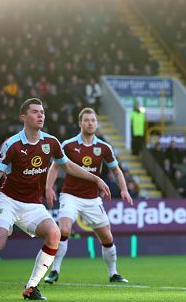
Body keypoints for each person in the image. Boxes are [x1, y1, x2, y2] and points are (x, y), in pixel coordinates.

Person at [0, 98, 111, 302]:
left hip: (33, 205)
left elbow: (69, 166)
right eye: (35, 112)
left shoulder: (51, 143)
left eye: (43, 112)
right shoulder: (12, 144)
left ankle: (31, 288)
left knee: (54, 234)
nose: (41, 116)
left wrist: (96, 178)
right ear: (23, 117)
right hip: (8, 201)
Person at [44, 108, 133, 284]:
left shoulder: (104, 147)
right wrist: (48, 187)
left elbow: (116, 170)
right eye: (86, 120)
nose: (90, 123)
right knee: (64, 230)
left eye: (93, 120)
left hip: (92, 199)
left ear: (96, 123)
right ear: (80, 123)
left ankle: (113, 273)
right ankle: (54, 271)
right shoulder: (68, 145)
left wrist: (124, 189)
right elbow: (55, 167)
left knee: (107, 238)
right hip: (70, 195)